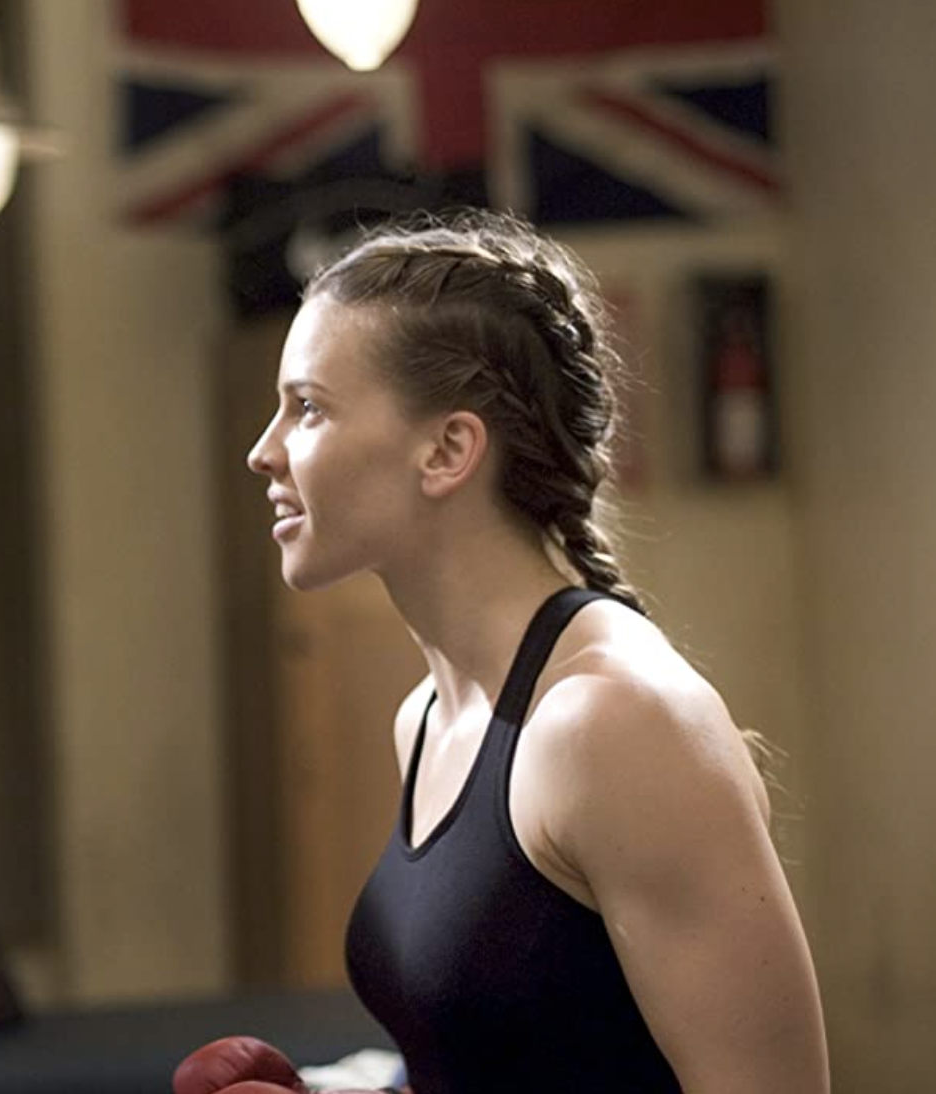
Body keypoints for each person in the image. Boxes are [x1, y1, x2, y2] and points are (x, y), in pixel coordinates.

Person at [177, 210, 829, 1093]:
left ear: (448, 450)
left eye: (310, 409)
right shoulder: (429, 716)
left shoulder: (611, 723)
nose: (265, 452)